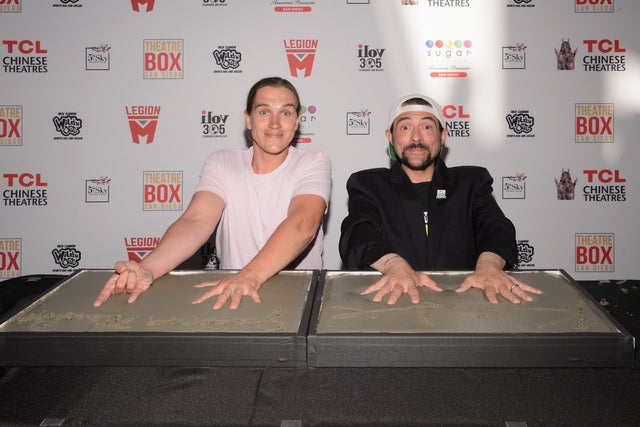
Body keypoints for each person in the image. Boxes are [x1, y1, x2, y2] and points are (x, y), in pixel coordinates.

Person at [94, 77, 332, 310]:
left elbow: (303, 223)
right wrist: (148, 268)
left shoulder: (313, 162)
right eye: (263, 112)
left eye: (286, 113)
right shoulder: (222, 162)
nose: (275, 123)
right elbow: (196, 220)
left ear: (298, 121)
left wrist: (249, 275)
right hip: (231, 298)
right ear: (247, 120)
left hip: (298, 301)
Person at [339, 94, 541, 305]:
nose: (416, 138)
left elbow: (495, 227)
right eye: (405, 128)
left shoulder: (470, 182)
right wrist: (394, 266)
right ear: (390, 136)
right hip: (392, 306)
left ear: (443, 135)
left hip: (464, 307)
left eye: (427, 127)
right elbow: (357, 232)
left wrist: (489, 266)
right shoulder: (368, 184)